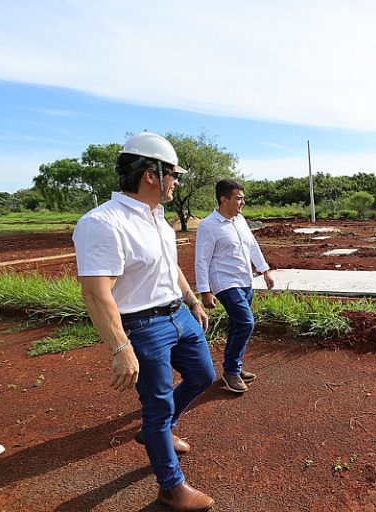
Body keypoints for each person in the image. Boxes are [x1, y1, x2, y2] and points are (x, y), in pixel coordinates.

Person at [73, 131, 215, 512]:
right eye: (173, 174)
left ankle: (163, 431)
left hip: (178, 314)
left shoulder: (159, 219)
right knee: (156, 405)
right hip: (142, 326)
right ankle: (171, 489)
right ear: (150, 174)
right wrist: (120, 348)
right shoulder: (104, 223)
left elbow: (170, 269)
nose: (176, 182)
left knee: (203, 376)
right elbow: (97, 292)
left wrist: (191, 301)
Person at [195, 179, 274, 393]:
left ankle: (234, 368)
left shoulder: (240, 220)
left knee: (239, 325)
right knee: (246, 322)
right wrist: (205, 291)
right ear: (224, 199)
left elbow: (252, 246)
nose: (243, 202)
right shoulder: (208, 225)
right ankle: (231, 371)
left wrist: (264, 270)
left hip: (245, 280)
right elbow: (201, 260)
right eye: (239, 198)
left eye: (243, 198)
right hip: (225, 283)